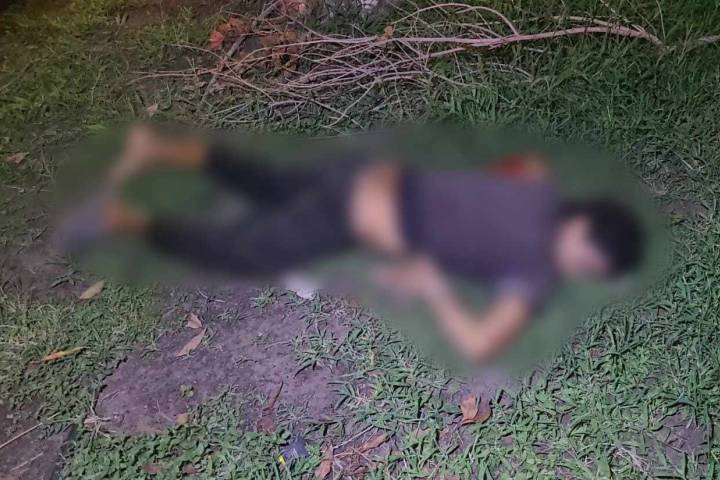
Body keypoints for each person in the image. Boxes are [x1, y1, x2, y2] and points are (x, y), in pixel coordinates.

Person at [58, 126, 645, 362]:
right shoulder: (538, 274)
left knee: (270, 186)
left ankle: (155, 147)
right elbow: (479, 345)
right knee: (244, 253)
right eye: (587, 261)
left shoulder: (539, 187)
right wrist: (434, 285)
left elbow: (516, 168)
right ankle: (118, 219)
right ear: (589, 257)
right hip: (369, 212)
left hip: (375, 177)